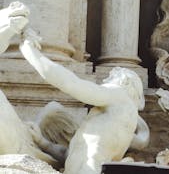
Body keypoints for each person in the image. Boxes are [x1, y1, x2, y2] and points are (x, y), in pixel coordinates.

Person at [20, 31, 149, 174]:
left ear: (123, 81)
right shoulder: (117, 120)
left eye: (110, 78)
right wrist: (42, 142)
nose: (104, 82)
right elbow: (70, 153)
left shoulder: (118, 96)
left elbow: (71, 83)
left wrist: (31, 53)